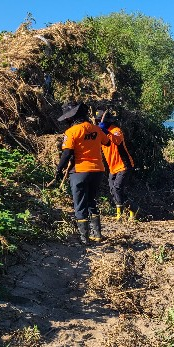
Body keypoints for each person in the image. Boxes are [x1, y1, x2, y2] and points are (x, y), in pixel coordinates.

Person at [47, 102, 111, 245]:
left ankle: (84, 238)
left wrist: (58, 170)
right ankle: (97, 234)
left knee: (80, 203)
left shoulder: (71, 132)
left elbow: (67, 153)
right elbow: (107, 143)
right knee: (91, 201)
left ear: (71, 118)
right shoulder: (95, 129)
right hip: (98, 171)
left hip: (80, 171)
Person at [96, 108, 135, 221]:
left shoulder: (116, 130)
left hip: (124, 165)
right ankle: (132, 210)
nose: (100, 123)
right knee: (114, 190)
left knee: (117, 188)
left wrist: (106, 131)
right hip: (112, 167)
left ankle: (120, 214)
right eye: (98, 121)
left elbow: (117, 141)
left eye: (101, 121)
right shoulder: (101, 133)